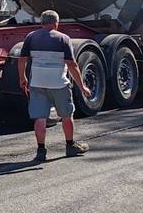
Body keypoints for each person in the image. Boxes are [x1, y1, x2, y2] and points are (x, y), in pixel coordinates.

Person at [17, 9, 91, 162]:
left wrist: (22, 77)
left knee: (40, 117)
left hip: (37, 83)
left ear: (42, 22)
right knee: (66, 115)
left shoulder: (31, 37)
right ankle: (70, 146)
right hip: (59, 84)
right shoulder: (63, 39)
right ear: (56, 23)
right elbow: (71, 64)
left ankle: (41, 151)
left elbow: (22, 59)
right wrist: (82, 86)